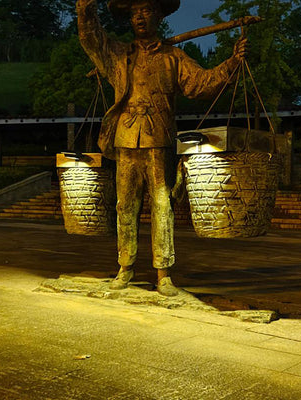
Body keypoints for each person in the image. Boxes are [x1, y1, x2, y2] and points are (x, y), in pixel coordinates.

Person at [76, 0, 247, 296]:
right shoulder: (117, 55)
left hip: (159, 141)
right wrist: (84, 9)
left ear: (158, 16)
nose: (140, 17)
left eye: (146, 11)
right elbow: (91, 38)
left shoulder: (174, 57)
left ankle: (163, 273)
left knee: (162, 206)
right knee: (125, 207)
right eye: (134, 12)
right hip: (126, 140)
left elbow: (201, 84)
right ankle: (125, 266)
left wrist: (232, 62)